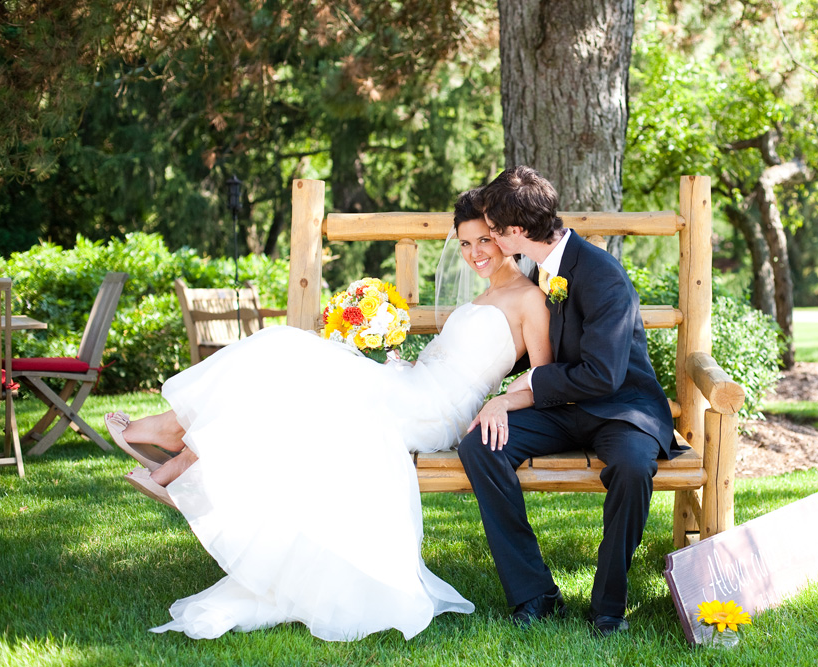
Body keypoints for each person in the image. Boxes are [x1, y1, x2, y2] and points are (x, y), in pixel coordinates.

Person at [104, 189, 552, 642]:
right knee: (285, 361)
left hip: (436, 412)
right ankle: (180, 460)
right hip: (415, 388)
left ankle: (174, 440)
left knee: (283, 349)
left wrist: (501, 401)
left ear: (503, 237)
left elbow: (544, 374)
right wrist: (400, 362)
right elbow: (444, 360)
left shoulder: (528, 299)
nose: (474, 253)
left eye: (483, 241)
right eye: (464, 243)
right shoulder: (480, 298)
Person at [457, 166, 685, 637]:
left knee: (631, 467)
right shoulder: (539, 268)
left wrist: (515, 395)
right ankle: (535, 593)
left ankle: (608, 604)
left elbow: (603, 374)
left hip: (621, 408)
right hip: (564, 409)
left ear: (517, 232)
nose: (490, 242)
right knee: (480, 446)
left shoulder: (602, 274)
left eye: (494, 233)